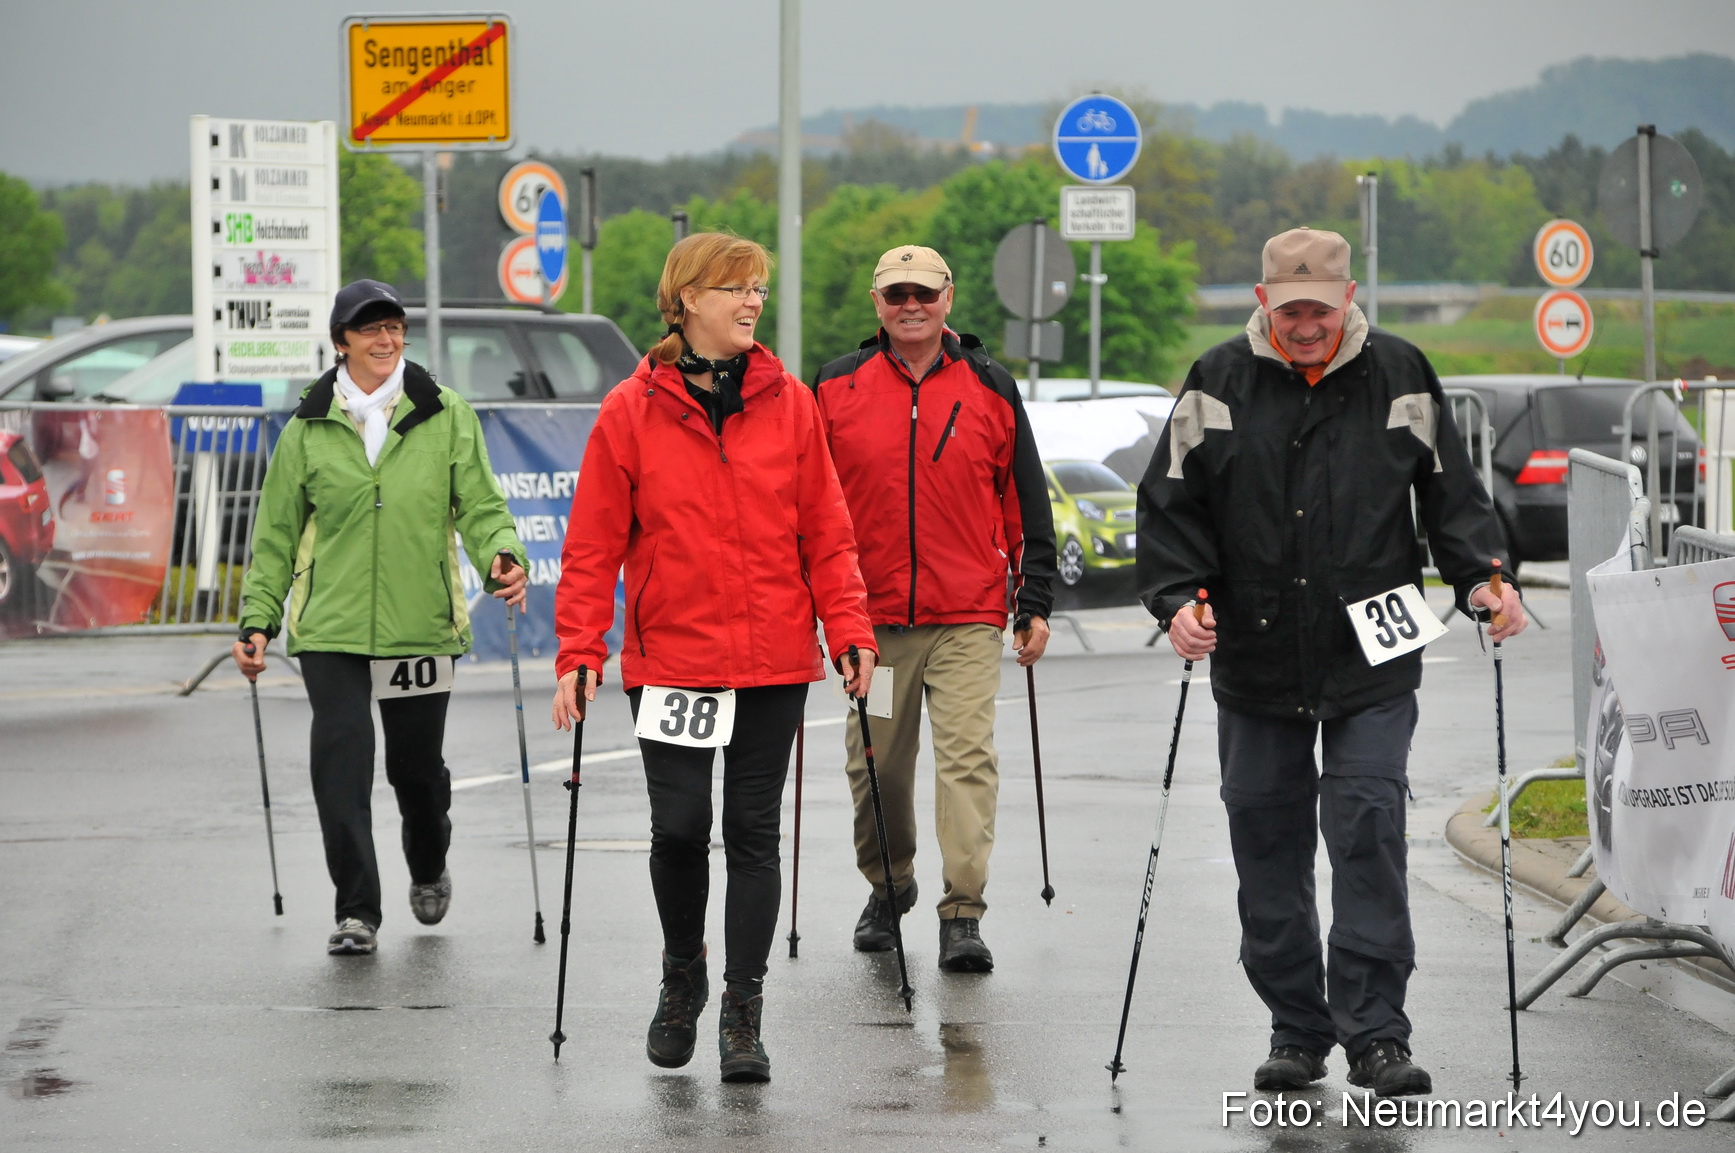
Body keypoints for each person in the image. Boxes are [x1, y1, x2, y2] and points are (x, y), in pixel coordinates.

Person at [1137, 228, 1527, 1097]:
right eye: (1289, 310)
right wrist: (1176, 600)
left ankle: (1377, 1033)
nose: (1305, 324)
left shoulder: (1400, 371)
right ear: (1261, 300)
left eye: (1319, 307)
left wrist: (1482, 578)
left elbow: (1452, 496)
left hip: (1371, 654)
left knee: (1365, 826)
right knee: (1265, 838)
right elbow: (1169, 505)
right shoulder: (1216, 379)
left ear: (1349, 297)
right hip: (1255, 651)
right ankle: (1296, 1027)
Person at [551, 232, 876, 1084]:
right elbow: (591, 546)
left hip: (773, 658)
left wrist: (848, 629)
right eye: (736, 288)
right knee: (680, 825)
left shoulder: (791, 401)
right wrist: (579, 650)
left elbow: (828, 532)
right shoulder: (629, 408)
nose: (752, 302)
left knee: (752, 832)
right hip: (671, 661)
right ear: (687, 298)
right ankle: (681, 973)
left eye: (758, 288)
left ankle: (743, 1007)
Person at [234, 279, 526, 957]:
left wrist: (502, 557)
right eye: (370, 328)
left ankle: (428, 862)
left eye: (394, 326)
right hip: (329, 627)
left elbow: (481, 505)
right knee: (339, 767)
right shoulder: (307, 426)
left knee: (416, 774)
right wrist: (258, 620)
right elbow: (275, 535)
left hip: (420, 623)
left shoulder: (444, 412)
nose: (386, 338)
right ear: (341, 341)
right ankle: (356, 910)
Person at [813, 245, 1056, 973]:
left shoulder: (990, 383)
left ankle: (962, 912)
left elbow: (1026, 498)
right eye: (897, 295)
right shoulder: (833, 385)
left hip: (966, 618)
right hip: (872, 627)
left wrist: (1033, 597)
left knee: (966, 760)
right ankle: (889, 885)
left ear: (948, 297)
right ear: (876, 302)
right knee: (877, 768)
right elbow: (808, 504)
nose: (911, 305)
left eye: (924, 292)